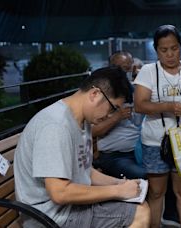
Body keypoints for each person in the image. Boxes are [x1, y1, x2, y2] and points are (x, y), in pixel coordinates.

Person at [14, 67, 150, 228]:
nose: (110, 115)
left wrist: (120, 184)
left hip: (67, 209)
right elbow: (60, 193)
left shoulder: (82, 121)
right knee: (140, 214)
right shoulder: (55, 126)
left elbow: (85, 171)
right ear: (95, 94)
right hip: (50, 217)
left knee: (140, 206)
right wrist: (118, 191)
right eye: (113, 108)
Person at [134, 25, 181, 228]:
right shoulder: (148, 71)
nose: (170, 54)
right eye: (164, 50)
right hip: (154, 141)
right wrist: (169, 106)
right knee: (156, 192)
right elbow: (140, 105)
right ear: (156, 49)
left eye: (174, 48)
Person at [93, 51, 146, 179]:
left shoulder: (138, 89)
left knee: (164, 175)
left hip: (140, 151)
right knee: (145, 176)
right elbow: (93, 132)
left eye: (128, 68)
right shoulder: (101, 95)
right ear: (110, 69)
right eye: (120, 69)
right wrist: (117, 116)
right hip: (115, 156)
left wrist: (143, 80)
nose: (123, 73)